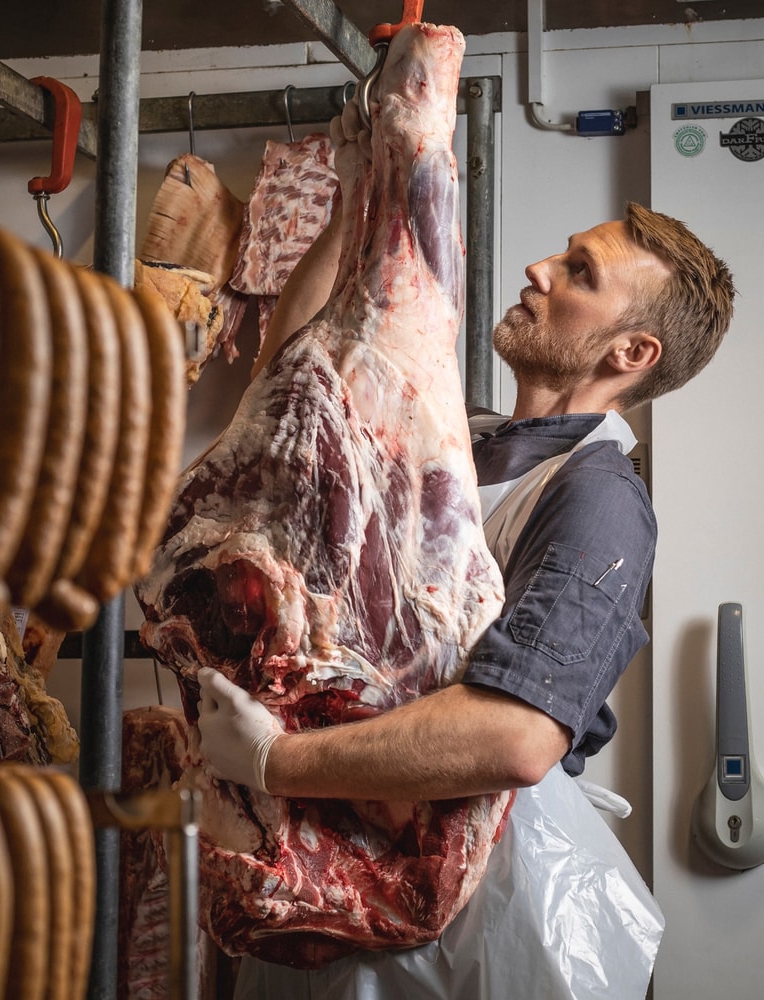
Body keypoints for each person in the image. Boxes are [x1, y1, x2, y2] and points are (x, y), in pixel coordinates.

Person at [197, 99, 736, 996]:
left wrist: (274, 762)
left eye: (577, 271)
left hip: (471, 903)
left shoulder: (597, 499)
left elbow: (516, 735)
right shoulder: (461, 439)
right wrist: (354, 199)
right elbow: (291, 380)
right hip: (347, 864)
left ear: (631, 350)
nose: (537, 268)